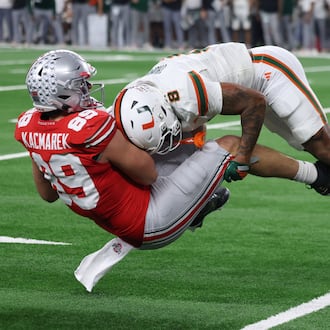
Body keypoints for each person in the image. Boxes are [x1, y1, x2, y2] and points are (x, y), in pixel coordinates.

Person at [14, 49, 266, 290]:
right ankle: (304, 173)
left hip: (118, 220)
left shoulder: (29, 125)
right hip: (150, 221)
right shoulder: (89, 126)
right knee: (229, 144)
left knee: (177, 150)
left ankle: (196, 204)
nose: (88, 89)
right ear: (62, 95)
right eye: (81, 85)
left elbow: (47, 195)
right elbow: (148, 173)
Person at [112, 42, 330, 196]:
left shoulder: (187, 95)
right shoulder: (128, 104)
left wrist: (244, 156)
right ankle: (320, 178)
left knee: (322, 147)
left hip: (266, 73)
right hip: (237, 92)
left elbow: (254, 102)